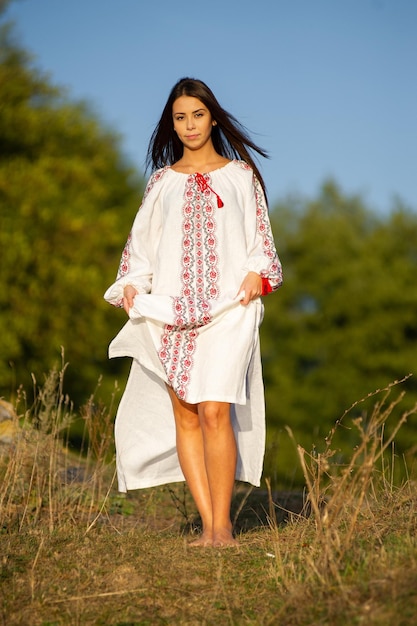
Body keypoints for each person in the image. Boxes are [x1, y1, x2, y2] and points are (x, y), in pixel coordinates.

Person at [104, 77, 282, 547]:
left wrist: (256, 274)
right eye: (180, 117)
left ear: (214, 117)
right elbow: (140, 248)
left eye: (197, 115)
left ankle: (223, 526)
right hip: (170, 312)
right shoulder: (162, 182)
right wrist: (130, 286)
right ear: (172, 124)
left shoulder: (241, 176)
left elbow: (261, 242)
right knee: (185, 413)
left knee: (215, 410)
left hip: (229, 309)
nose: (189, 125)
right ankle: (207, 525)